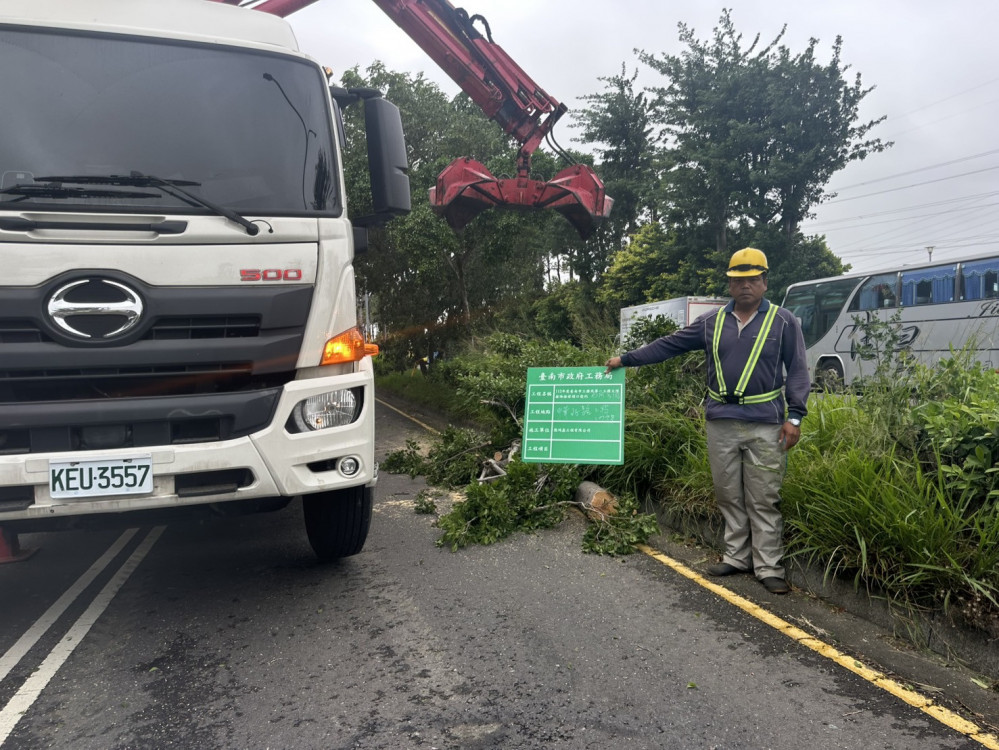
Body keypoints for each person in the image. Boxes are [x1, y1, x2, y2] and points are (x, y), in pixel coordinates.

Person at [605, 248, 809, 595]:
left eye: (753, 279)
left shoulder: (784, 321)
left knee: (763, 497)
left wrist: (794, 416)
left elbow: (799, 371)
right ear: (730, 285)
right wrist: (626, 358)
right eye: (738, 280)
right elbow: (669, 345)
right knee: (728, 493)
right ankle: (736, 557)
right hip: (721, 421)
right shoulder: (712, 322)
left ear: (764, 282)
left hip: (767, 422)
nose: (745, 285)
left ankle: (769, 567)